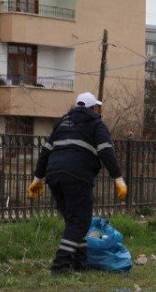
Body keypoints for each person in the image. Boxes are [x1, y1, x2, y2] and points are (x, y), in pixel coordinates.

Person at [26, 92, 126, 274]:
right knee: (80, 223)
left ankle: (80, 263)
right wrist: (118, 178)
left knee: (73, 222)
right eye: (97, 107)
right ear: (93, 108)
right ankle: (60, 265)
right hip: (77, 176)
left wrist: (37, 178)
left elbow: (45, 152)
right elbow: (106, 151)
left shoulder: (61, 124)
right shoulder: (96, 124)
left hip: (54, 176)